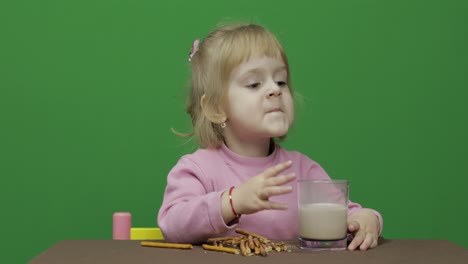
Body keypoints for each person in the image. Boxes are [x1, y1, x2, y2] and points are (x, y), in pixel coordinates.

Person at [157, 22, 383, 251]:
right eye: (254, 84)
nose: (275, 90)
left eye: (281, 81)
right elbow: (172, 224)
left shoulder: (302, 169)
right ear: (216, 108)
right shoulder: (198, 169)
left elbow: (349, 215)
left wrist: (368, 220)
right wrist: (233, 202)